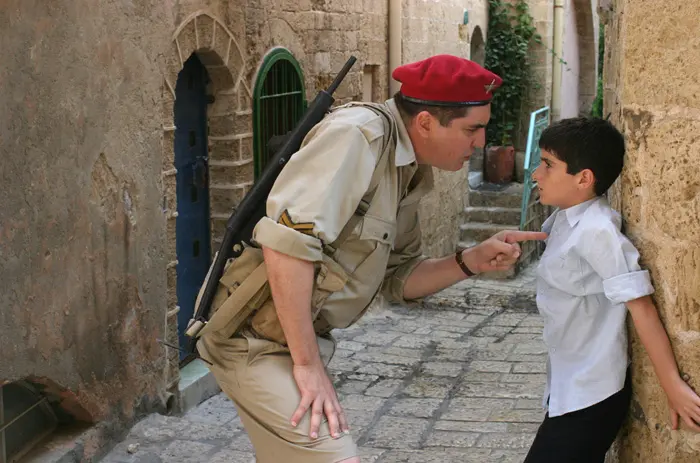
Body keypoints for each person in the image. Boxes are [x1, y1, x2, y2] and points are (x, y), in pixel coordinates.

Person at [196, 54, 546, 463]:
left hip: (286, 340)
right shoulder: (357, 136)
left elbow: (400, 279)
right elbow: (286, 246)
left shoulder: (409, 167)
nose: (481, 143)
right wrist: (308, 367)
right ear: (427, 122)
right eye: (473, 129)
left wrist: (471, 260)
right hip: (249, 338)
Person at [524, 117, 700, 462]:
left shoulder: (598, 231)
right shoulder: (563, 219)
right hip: (566, 386)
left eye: (548, 165)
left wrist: (672, 385)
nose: (535, 174)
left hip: (590, 396)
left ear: (583, 178)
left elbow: (642, 307)